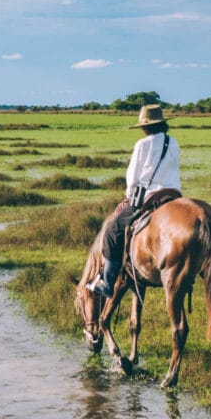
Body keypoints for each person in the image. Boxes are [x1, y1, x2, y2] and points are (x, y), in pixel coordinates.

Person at [87, 105, 181, 298]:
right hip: (174, 195)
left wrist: (129, 198)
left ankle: (107, 282)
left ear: (145, 127)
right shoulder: (174, 143)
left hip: (150, 197)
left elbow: (132, 177)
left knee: (113, 232)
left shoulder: (142, 145)